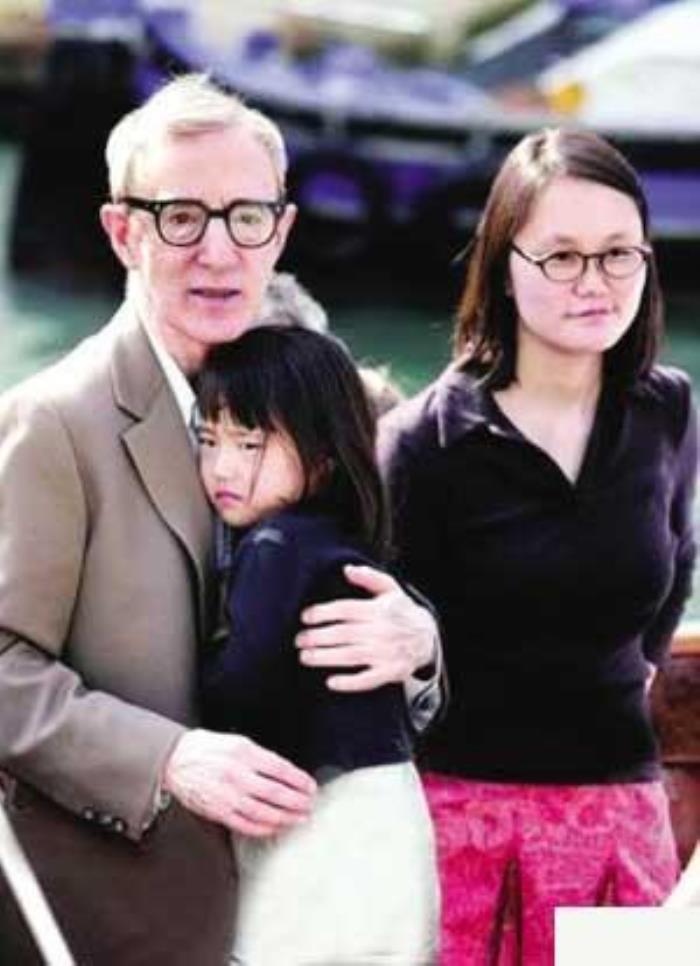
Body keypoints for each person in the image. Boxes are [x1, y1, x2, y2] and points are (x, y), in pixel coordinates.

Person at [0, 73, 441, 965]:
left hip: (316, 905)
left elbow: (363, 583)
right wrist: (167, 758)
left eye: (245, 217)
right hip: (120, 926)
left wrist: (420, 643)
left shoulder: (326, 402)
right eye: (180, 217)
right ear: (122, 232)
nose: (218, 250)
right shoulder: (52, 421)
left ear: (281, 230)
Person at [378, 127, 698, 965]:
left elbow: (676, 559)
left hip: (622, 815)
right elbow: (383, 652)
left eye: (619, 254)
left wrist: (639, 664)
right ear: (503, 265)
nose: (594, 281)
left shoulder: (667, 411)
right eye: (561, 256)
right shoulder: (423, 443)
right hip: (458, 821)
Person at [195, 325, 439, 964]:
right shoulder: (348, 543)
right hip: (393, 814)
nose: (223, 467)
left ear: (324, 457)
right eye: (208, 440)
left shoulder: (276, 547)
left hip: (323, 827)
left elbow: (241, 687)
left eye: (250, 443)